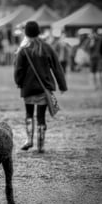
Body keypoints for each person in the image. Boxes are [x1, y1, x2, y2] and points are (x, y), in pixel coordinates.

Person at [14, 21, 67, 153]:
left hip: (28, 88)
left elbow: (18, 70)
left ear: (26, 33)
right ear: (38, 32)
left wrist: (19, 82)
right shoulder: (47, 47)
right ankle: (41, 144)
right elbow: (57, 67)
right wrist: (62, 85)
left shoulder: (23, 49)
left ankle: (29, 140)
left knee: (29, 114)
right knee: (41, 116)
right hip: (44, 88)